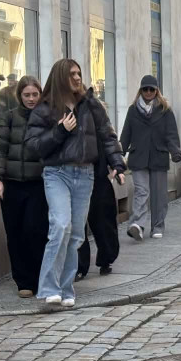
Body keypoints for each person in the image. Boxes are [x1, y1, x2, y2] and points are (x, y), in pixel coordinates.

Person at [26, 59, 126, 307]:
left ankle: (66, 288)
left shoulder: (91, 105)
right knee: (60, 226)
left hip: (85, 174)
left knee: (76, 235)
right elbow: (33, 146)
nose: (78, 78)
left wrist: (118, 164)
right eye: (72, 74)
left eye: (79, 73)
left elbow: (107, 135)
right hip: (57, 173)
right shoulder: (45, 108)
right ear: (61, 76)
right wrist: (60, 130)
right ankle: (49, 287)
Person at [0, 75, 47, 297]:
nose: (31, 99)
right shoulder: (8, 118)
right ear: (19, 96)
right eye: (27, 95)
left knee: (36, 231)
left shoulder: (46, 118)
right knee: (15, 233)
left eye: (35, 94)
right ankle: (23, 281)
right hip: (12, 185)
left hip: (38, 184)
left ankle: (39, 276)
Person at [122, 75, 181, 242]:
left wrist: (175, 151)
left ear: (157, 91)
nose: (148, 92)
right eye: (145, 89)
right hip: (138, 155)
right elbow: (126, 133)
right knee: (141, 191)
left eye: (151, 89)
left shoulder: (165, 110)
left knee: (159, 195)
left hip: (158, 155)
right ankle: (137, 225)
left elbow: (171, 134)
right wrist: (118, 154)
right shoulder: (133, 109)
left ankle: (157, 225)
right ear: (140, 90)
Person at [77, 98, 121, 278]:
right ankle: (80, 266)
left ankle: (106, 258)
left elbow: (110, 143)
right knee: (78, 224)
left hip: (99, 176)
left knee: (103, 220)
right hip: (76, 177)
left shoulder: (101, 126)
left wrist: (117, 166)